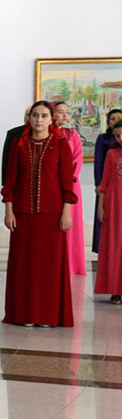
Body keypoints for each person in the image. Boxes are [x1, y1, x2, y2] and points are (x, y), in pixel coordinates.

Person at [2, 100, 76, 327]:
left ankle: (47, 315)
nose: (39, 120)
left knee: (49, 267)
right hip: (23, 215)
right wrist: (9, 211)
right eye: (35, 115)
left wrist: (66, 213)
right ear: (29, 118)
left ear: (52, 119)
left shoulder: (61, 144)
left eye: (44, 116)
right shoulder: (18, 144)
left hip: (52, 216)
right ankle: (23, 314)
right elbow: (10, 181)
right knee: (24, 266)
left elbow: (67, 182)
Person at [54, 101, 86, 276]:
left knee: (69, 224)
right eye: (60, 112)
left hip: (70, 186)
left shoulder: (72, 134)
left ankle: (71, 265)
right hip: (51, 186)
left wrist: (66, 181)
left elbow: (77, 160)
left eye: (66, 112)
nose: (65, 115)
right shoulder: (46, 135)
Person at [95, 117, 122, 303]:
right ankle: (115, 289)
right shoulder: (112, 154)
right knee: (114, 245)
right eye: (117, 136)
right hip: (114, 205)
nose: (121, 139)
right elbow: (104, 183)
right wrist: (100, 206)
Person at [93, 108, 122, 254]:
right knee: (107, 222)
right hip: (110, 189)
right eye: (112, 118)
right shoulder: (104, 141)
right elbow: (99, 162)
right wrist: (98, 184)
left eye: (118, 118)